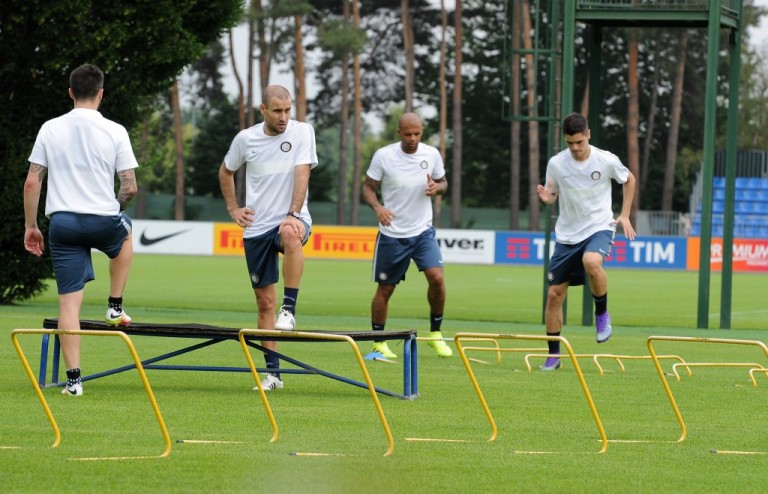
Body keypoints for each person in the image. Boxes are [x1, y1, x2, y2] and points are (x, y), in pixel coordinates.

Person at [23, 63, 138, 396]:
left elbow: (32, 182)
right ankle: (115, 305)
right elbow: (130, 187)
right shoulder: (115, 130)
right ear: (101, 94)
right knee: (126, 231)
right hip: (103, 220)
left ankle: (74, 381)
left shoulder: (50, 128)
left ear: (71, 92)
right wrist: (116, 209)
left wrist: (31, 226)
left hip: (63, 224)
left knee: (68, 306)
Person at [219, 85, 318, 391]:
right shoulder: (245, 139)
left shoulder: (303, 132)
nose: (283, 117)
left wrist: (293, 213)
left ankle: (289, 309)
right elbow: (226, 172)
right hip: (256, 227)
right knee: (264, 304)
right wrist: (233, 208)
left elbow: (303, 173)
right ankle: (273, 375)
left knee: (290, 232)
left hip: (292, 218)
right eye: (277, 111)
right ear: (263, 109)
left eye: (288, 110)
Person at [535, 112, 636, 371]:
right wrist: (547, 199)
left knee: (591, 261)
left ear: (588, 135)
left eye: (579, 142)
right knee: (554, 296)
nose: (575, 148)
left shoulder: (605, 159)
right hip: (567, 235)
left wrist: (624, 215)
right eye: (570, 143)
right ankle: (553, 356)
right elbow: (552, 193)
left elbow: (629, 179)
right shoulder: (557, 164)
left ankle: (601, 314)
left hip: (599, 227)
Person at [361, 112, 453, 359]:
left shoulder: (431, 154)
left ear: (422, 132)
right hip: (392, 234)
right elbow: (368, 188)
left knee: (437, 279)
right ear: (399, 133)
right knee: (385, 289)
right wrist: (378, 208)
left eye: (417, 134)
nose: (413, 139)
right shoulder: (384, 156)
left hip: (423, 231)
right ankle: (379, 343)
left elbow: (443, 183)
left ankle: (435, 334)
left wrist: (437, 188)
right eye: (408, 134)